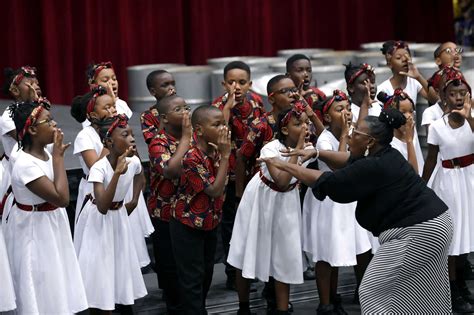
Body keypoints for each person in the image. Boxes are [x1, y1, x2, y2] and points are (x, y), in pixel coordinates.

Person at [260, 107, 453, 314]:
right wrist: (315, 152)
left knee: (371, 291)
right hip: (437, 224)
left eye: (355, 133)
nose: (350, 135)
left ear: (370, 142)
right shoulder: (386, 153)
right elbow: (348, 159)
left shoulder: (374, 166)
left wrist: (285, 166)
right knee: (424, 291)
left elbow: (330, 180)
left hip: (418, 233)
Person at [228, 104, 314, 315]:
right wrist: (299, 150)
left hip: (287, 203)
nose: (304, 127)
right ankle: (243, 306)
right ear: (285, 130)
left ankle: (282, 309)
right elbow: (282, 181)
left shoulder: (309, 148)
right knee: (246, 249)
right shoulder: (270, 149)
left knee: (284, 254)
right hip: (261, 198)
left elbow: (291, 184)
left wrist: (303, 149)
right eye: (298, 124)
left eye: (306, 123)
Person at [7, 100, 88, 314]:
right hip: (35, 230)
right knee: (42, 284)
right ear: (32, 129)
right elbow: (61, 199)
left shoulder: (44, 152)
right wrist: (59, 158)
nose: (55, 124)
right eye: (48, 121)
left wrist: (55, 156)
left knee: (58, 279)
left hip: (52, 225)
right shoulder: (25, 165)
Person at [302, 90, 372, 314]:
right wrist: (344, 137)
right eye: (339, 109)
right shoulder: (324, 140)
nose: (346, 113)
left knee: (360, 248)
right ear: (328, 117)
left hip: (350, 199)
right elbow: (339, 167)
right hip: (329, 203)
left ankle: (357, 294)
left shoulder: (353, 132)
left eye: (347, 108)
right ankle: (326, 302)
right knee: (327, 254)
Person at [76, 115, 147, 313]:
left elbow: (141, 177)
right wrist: (117, 174)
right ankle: (100, 307)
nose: (132, 138)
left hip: (119, 217)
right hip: (98, 221)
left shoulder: (132, 162)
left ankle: (123, 305)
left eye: (132, 134)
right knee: (100, 267)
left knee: (120, 263)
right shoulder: (99, 168)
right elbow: (102, 206)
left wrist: (132, 202)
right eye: (125, 135)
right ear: (108, 142)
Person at [422, 69, 474, 313]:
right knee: (453, 240)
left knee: (468, 235)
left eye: (463, 93)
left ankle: (463, 285)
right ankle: (451, 290)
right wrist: (421, 187)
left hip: (470, 179)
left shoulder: (472, 121)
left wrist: (470, 117)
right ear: (443, 97)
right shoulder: (436, 127)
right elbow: (431, 159)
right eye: (453, 94)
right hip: (449, 182)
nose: (458, 98)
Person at [170, 105, 231, 314]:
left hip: (209, 221)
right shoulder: (191, 157)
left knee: (206, 274)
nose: (223, 129)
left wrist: (222, 156)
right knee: (192, 279)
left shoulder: (216, 150)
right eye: (217, 124)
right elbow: (213, 190)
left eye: (224, 123)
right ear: (200, 130)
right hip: (187, 224)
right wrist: (225, 157)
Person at [212, 61, 265, 289]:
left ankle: (254, 268)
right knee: (230, 224)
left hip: (252, 172)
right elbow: (216, 133)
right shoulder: (217, 106)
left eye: (242, 82)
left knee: (254, 221)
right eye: (231, 82)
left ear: (250, 84)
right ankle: (233, 272)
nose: (236, 87)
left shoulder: (256, 103)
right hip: (228, 174)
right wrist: (227, 108)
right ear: (224, 84)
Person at [147, 95, 192, 314]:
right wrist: (185, 141)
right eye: (178, 109)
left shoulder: (194, 137)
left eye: (186, 107)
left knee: (191, 267)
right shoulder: (159, 142)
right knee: (170, 266)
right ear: (164, 118)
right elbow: (170, 170)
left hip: (192, 212)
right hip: (165, 213)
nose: (185, 112)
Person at [71, 85, 117, 251]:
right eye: (107, 107)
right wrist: (109, 139)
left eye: (113, 106)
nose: (113, 111)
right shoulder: (84, 136)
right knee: (96, 242)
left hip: (115, 187)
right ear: (92, 115)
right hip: (93, 190)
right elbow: (96, 168)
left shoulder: (118, 130)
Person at [378, 89, 424, 174]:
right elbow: (413, 173)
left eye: (411, 111)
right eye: (403, 112)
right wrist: (409, 140)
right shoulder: (391, 143)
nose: (409, 116)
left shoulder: (411, 130)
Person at [377, 40, 437, 105]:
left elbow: (435, 100)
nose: (404, 60)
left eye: (407, 56)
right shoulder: (383, 89)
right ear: (389, 64)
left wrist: (419, 77)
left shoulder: (414, 81)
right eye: (398, 58)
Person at [141, 70, 177, 144]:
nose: (171, 88)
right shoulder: (147, 116)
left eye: (173, 84)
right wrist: (164, 115)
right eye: (165, 85)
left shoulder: (181, 109)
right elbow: (153, 143)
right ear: (153, 91)